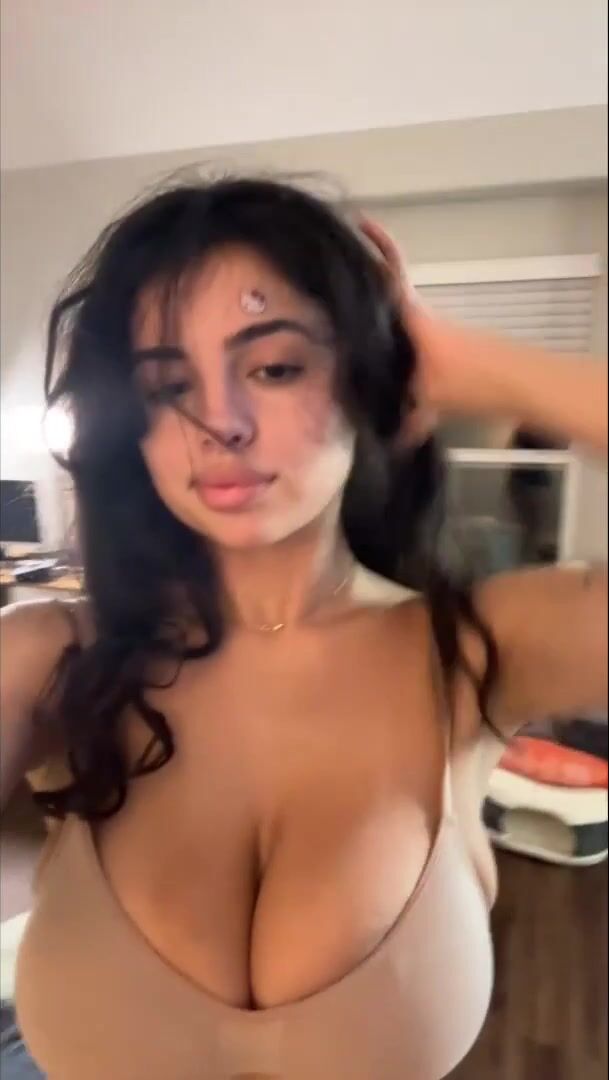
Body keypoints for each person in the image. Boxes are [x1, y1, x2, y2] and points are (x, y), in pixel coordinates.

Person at [0, 176, 606, 1080]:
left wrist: (461, 363)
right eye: (168, 386)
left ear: (367, 380)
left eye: (275, 368)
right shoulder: (51, 661)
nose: (220, 424)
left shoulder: (478, 651)